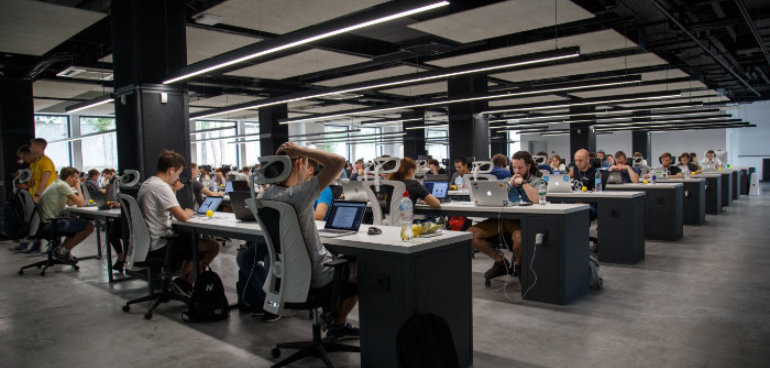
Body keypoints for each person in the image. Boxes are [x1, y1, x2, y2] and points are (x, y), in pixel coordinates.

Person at [261, 142, 358, 338]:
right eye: (305, 165)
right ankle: (338, 323)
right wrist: (302, 151)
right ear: (298, 165)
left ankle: (331, 315)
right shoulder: (298, 194)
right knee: (362, 265)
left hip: (286, 276)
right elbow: (339, 161)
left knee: (339, 261)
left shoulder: (266, 196)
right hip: (316, 276)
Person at [137, 150, 221, 298]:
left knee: (190, 241)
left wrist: (173, 190)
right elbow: (182, 216)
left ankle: (182, 283)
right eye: (178, 174)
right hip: (162, 244)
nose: (178, 178)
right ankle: (183, 282)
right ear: (171, 171)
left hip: (150, 242)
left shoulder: (148, 183)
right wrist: (189, 212)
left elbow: (167, 207)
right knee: (213, 246)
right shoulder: (161, 187)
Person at [468, 151, 543, 281]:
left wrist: (524, 183)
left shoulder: (538, 181)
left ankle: (519, 266)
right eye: (514, 167)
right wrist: (510, 185)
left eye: (520, 167)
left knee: (519, 239)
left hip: (521, 221)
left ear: (529, 166)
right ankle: (501, 262)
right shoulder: (507, 181)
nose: (517, 170)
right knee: (470, 234)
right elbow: (495, 196)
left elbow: (537, 200)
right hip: (502, 219)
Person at [38, 167, 95, 263]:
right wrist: (78, 188)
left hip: (45, 223)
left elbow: (70, 203)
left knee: (75, 222)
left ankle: (63, 251)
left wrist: (77, 200)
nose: (76, 180)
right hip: (50, 224)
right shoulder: (63, 186)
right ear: (69, 177)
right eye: (75, 178)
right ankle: (62, 251)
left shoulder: (57, 183)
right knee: (89, 226)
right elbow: (80, 203)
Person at [28, 138, 56, 203]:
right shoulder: (34, 163)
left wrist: (37, 196)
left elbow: (44, 181)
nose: (30, 148)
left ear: (38, 147)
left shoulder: (46, 162)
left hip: (46, 199)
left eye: (32, 146)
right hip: (37, 199)